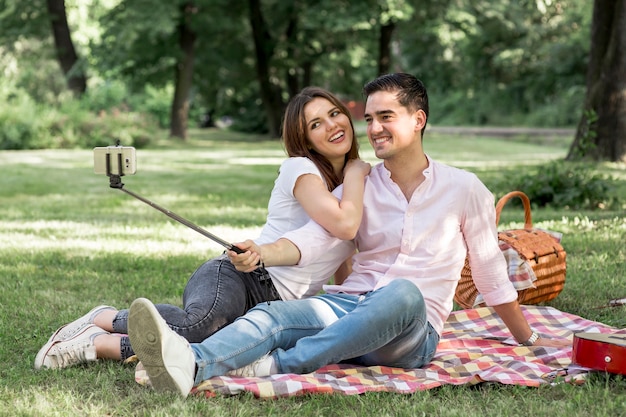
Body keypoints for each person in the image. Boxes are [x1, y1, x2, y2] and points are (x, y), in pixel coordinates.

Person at [126, 73, 570, 397]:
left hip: (409, 332)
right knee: (275, 317)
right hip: (347, 308)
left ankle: (276, 364)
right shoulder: (360, 188)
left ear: (418, 119)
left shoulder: (464, 188)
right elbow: (313, 240)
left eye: (387, 117)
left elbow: (491, 274)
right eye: (371, 118)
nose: (374, 128)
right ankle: (191, 365)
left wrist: (527, 339)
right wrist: (262, 252)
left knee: (402, 293)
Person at [34, 86, 371, 370]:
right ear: (306, 140)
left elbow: (339, 254)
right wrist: (356, 172)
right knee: (199, 328)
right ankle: (104, 318)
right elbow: (343, 225)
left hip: (280, 306)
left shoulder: (350, 194)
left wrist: (348, 305)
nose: (331, 125)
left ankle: (98, 344)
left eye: (334, 113)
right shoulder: (301, 168)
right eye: (316, 123)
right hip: (243, 275)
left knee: (219, 351)